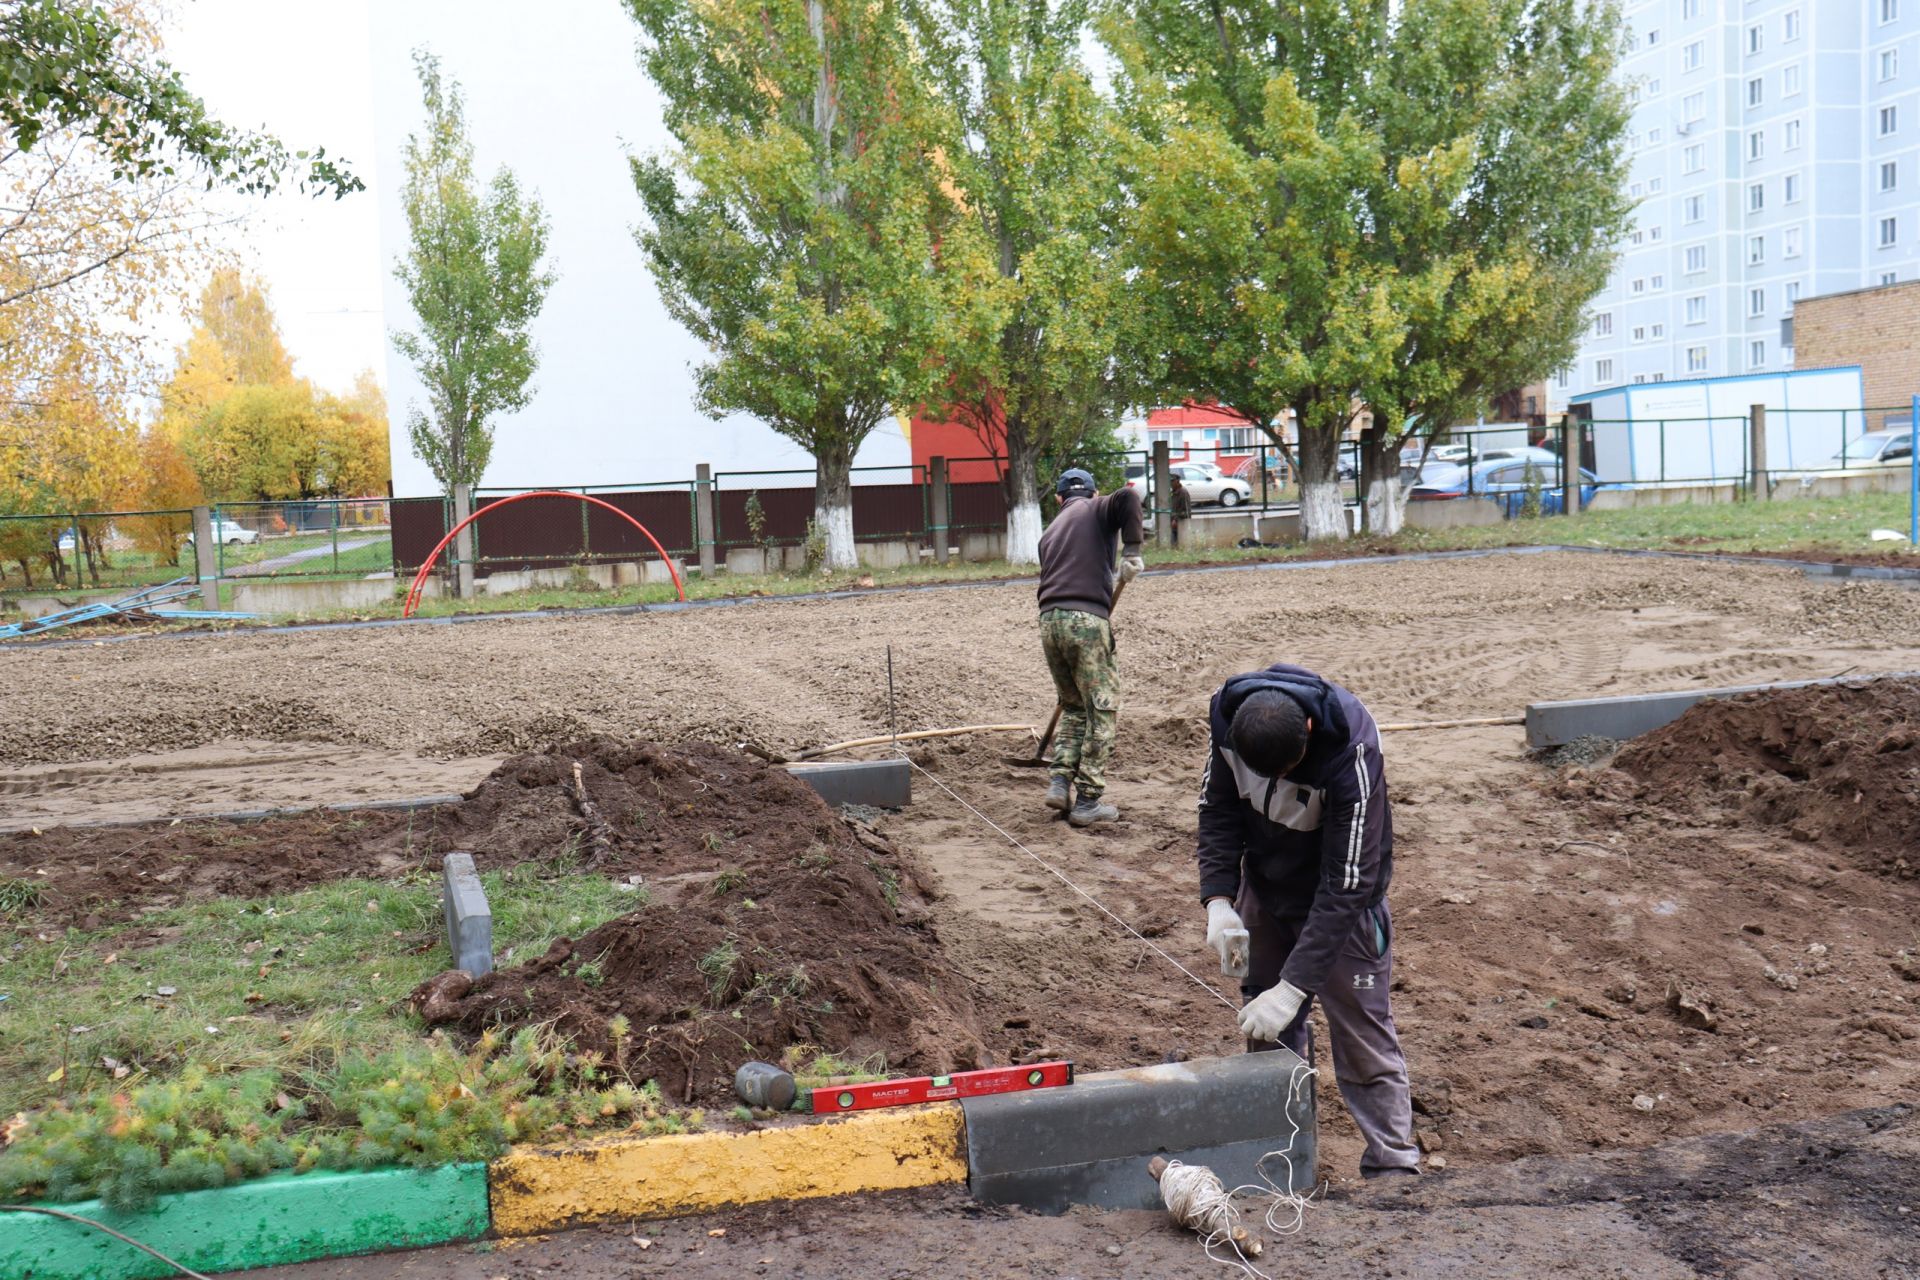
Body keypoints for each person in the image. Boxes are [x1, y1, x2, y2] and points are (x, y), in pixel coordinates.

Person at [1196, 664, 1419, 1179]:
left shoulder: (1352, 748)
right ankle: (1283, 1155)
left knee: (1361, 1030)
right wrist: (1219, 898)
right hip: (1267, 889)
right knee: (1265, 1028)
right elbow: (1218, 808)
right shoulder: (1227, 721)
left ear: (1310, 735)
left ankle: (1393, 1167)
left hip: (1344, 901)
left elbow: (1348, 883)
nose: (1273, 784)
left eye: (1286, 772)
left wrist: (1295, 987)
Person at [1036, 467, 1143, 827]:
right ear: (1096, 494)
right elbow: (1129, 497)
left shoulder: (1050, 531)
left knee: (1074, 707)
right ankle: (1087, 801)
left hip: (1050, 622)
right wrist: (1132, 552)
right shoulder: (1096, 509)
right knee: (1102, 708)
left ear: (1058, 500)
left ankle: (1059, 781)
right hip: (1086, 621)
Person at [1169, 474, 1191, 547]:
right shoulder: (1173, 492)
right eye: (1170, 481)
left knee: (1178, 544)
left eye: (1172, 481)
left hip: (1180, 523)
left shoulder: (1183, 493)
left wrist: (1175, 519)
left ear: (1177, 481)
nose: (1171, 483)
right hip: (1173, 523)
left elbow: (1187, 512)